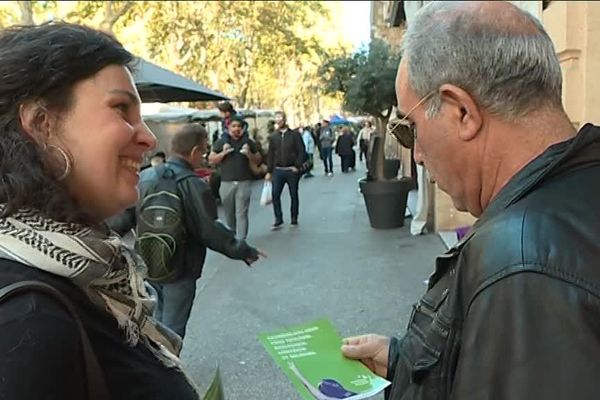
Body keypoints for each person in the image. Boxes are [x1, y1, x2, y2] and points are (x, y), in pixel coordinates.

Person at [341, 2, 600, 399]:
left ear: (462, 112)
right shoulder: (579, 183)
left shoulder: (519, 267)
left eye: (410, 130)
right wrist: (405, 363)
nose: (419, 156)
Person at [0, 22, 201, 399]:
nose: (148, 137)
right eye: (121, 109)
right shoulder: (26, 321)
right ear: (42, 125)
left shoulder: (89, 276)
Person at [110, 123, 263, 338]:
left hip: (147, 263)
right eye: (204, 150)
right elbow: (210, 230)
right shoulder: (194, 184)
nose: (205, 156)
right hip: (181, 270)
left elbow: (120, 219)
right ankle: (166, 368)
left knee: (154, 323)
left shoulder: (144, 178)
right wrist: (244, 251)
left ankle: (155, 364)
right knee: (172, 330)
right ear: (194, 151)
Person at [209, 115, 261, 239]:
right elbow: (211, 160)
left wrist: (248, 153)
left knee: (241, 213)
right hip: (226, 183)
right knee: (229, 213)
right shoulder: (222, 142)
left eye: (239, 126)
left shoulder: (249, 142)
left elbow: (258, 159)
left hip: (244, 182)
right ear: (228, 127)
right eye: (234, 126)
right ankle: (232, 236)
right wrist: (223, 153)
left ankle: (241, 240)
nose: (236, 129)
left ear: (242, 128)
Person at [265, 111, 306, 229]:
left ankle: (294, 217)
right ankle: (278, 218)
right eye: (276, 118)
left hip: (291, 170)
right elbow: (271, 154)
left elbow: (301, 151)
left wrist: (297, 166)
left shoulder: (294, 135)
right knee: (275, 194)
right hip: (278, 170)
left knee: (293, 194)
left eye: (280, 118)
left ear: (285, 119)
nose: (278, 120)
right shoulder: (273, 136)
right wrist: (269, 171)